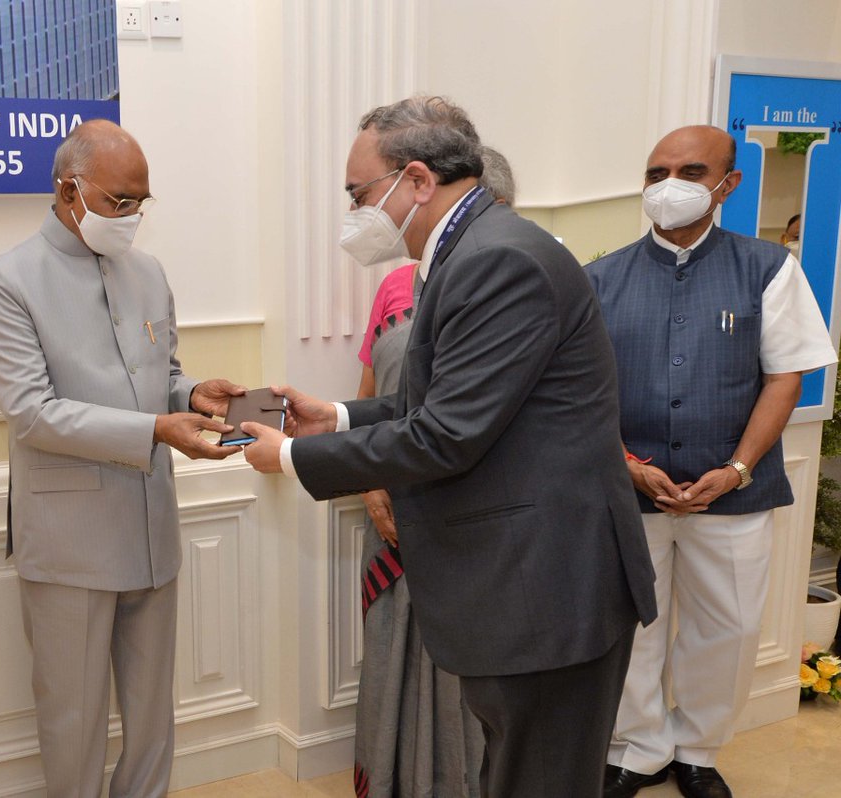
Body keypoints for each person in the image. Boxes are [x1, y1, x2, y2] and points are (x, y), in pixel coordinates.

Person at [241, 95, 658, 798]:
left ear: (416, 181)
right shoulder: (470, 251)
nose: (354, 212)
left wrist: (289, 458)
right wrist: (338, 417)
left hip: (547, 592)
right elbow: (447, 402)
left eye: (358, 193)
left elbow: (446, 434)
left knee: (541, 781)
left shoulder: (500, 260)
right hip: (523, 584)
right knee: (515, 773)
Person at [0, 119, 245, 798]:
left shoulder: (147, 271)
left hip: (151, 526)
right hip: (69, 544)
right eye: (120, 202)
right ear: (70, 191)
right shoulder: (7, 280)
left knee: (154, 720)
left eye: (140, 204)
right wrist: (157, 426)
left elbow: (163, 374)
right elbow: (33, 412)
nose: (132, 217)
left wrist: (194, 393)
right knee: (74, 722)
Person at [587, 125, 836, 798]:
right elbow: (577, 390)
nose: (670, 185)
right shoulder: (599, 279)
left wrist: (738, 468)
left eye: (691, 171)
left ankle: (695, 750)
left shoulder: (768, 267)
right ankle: (637, 748)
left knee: (725, 630)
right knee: (633, 626)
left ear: (729, 184)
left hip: (734, 493)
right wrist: (627, 464)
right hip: (628, 490)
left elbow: (787, 376)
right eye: (656, 172)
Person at [346, 141, 518, 798]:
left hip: (474, 527)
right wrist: (370, 484)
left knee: (468, 683)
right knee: (391, 660)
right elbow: (372, 396)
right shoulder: (396, 286)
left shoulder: (516, 284)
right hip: (389, 512)